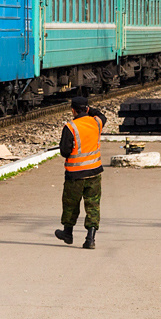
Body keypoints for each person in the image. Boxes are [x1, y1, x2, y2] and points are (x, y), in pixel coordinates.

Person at [55, 95, 105, 249]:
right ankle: (90, 239)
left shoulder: (70, 127)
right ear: (87, 109)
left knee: (70, 204)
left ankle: (68, 233)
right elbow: (101, 115)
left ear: (73, 110)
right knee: (93, 205)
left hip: (75, 174)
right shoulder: (96, 122)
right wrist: (90, 110)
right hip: (95, 173)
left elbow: (64, 151)